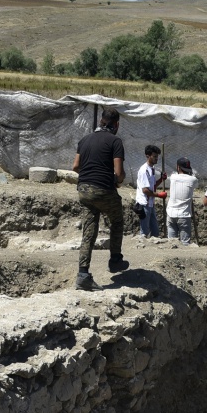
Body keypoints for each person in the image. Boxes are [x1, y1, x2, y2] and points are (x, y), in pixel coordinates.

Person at [70, 109, 128, 289]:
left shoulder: (85, 139)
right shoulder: (115, 141)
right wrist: (116, 180)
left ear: (101, 121)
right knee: (117, 220)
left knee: (89, 231)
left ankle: (83, 274)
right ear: (116, 124)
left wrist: (89, 175)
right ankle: (115, 260)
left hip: (84, 190)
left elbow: (76, 166)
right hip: (103, 189)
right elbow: (118, 174)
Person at [165, 157, 198, 245]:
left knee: (171, 242)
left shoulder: (173, 177)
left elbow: (172, 175)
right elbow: (196, 182)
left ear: (178, 167)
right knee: (185, 243)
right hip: (184, 215)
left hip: (171, 213)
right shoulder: (193, 180)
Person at [135, 144, 164, 238]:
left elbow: (152, 186)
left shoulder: (151, 169)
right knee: (144, 231)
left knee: (155, 230)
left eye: (157, 157)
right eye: (154, 156)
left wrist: (161, 180)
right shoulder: (144, 170)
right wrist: (159, 195)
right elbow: (145, 190)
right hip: (144, 204)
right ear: (148, 156)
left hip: (150, 204)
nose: (157, 159)